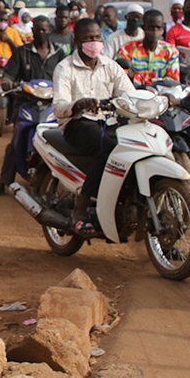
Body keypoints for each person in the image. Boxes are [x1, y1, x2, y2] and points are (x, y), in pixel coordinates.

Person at [52, 18, 138, 234]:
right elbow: (59, 107)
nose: (94, 42)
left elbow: (131, 95)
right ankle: (80, 208)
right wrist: (77, 104)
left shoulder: (111, 66)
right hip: (77, 123)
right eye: (88, 38)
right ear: (77, 40)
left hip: (109, 121)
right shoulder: (64, 68)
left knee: (134, 147)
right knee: (108, 149)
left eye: (97, 37)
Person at [0, 15, 67, 197]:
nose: (42, 33)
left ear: (50, 31)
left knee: (63, 142)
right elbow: (10, 73)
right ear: (33, 31)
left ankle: (62, 186)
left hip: (53, 105)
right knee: (14, 143)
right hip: (26, 102)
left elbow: (68, 75)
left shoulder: (59, 54)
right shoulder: (22, 52)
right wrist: (7, 81)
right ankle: (3, 183)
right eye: (38, 30)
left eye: (45, 30)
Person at [115, 10, 181, 85]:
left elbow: (172, 80)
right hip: (133, 93)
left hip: (162, 94)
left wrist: (136, 78)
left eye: (158, 27)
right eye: (151, 27)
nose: (155, 31)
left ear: (163, 28)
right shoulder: (126, 50)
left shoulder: (171, 51)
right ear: (143, 27)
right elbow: (122, 76)